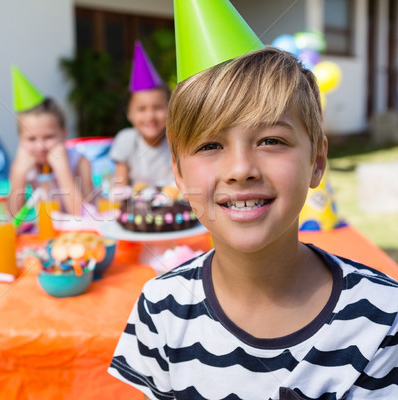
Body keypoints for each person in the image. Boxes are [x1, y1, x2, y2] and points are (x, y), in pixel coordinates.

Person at [108, 2, 398, 399]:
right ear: (179, 174)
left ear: (316, 162)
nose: (240, 168)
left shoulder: (382, 319)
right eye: (210, 144)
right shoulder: (160, 308)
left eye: (271, 141)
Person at [8, 66, 93, 216]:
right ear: (20, 140)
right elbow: (9, 220)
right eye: (31, 139)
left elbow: (84, 216)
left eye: (48, 137)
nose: (40, 146)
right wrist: (19, 175)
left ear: (64, 135)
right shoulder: (22, 165)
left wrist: (62, 170)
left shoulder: (80, 162)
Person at [109, 41, 172, 188]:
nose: (150, 116)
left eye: (157, 107)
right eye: (141, 109)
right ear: (129, 114)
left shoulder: (177, 142)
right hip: (135, 208)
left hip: (173, 208)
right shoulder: (126, 140)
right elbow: (120, 187)